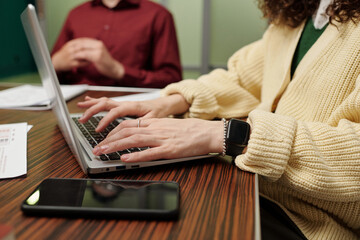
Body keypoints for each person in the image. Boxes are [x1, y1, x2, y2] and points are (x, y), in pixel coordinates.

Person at [77, 0, 360, 239]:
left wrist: (229, 135)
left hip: (311, 221)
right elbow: (242, 80)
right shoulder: (299, 13)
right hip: (253, 182)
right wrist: (170, 101)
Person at [51, 0, 182, 88]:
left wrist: (117, 70)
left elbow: (172, 80)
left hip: (129, 108)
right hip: (73, 105)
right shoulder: (76, 14)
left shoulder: (159, 15)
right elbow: (52, 70)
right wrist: (55, 64)